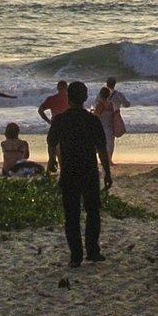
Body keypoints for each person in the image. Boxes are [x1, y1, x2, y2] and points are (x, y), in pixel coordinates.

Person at [48, 81, 108, 266]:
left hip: (69, 170)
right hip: (89, 170)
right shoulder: (92, 120)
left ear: (68, 98)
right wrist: (107, 172)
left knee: (72, 215)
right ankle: (92, 251)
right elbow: (102, 149)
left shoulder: (60, 120)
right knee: (92, 212)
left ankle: (76, 256)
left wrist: (51, 160)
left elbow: (51, 142)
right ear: (85, 98)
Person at [94, 79, 129, 166]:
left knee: (102, 143)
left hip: (101, 124)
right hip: (111, 123)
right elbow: (126, 104)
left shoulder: (100, 100)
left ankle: (105, 160)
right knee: (110, 143)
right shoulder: (115, 98)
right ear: (114, 84)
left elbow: (96, 113)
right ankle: (109, 160)